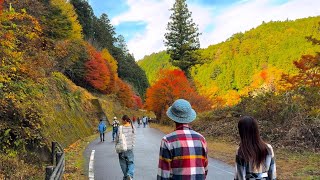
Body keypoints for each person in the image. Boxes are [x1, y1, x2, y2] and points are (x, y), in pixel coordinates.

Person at [157, 99, 208, 180]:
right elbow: (205, 169)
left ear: (173, 118)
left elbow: (164, 173)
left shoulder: (167, 140)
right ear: (189, 117)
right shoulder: (201, 139)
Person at [116, 115, 136, 180]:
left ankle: (126, 176)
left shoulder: (120, 128)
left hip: (121, 149)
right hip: (129, 148)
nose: (121, 121)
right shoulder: (133, 127)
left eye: (122, 120)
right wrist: (132, 145)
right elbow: (134, 138)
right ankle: (129, 175)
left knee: (123, 164)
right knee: (131, 162)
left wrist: (116, 146)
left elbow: (117, 138)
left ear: (125, 120)